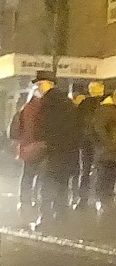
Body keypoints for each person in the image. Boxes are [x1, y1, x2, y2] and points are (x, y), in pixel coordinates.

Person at [32, 71, 82, 231]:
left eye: (39, 84)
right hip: (68, 151)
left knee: (46, 185)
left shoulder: (47, 102)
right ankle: (61, 216)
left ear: (48, 83)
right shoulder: (67, 102)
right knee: (62, 185)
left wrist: (43, 143)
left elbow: (43, 127)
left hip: (52, 151)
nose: (38, 87)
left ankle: (44, 217)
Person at [11, 74, 50, 214]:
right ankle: (32, 198)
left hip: (27, 147)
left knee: (28, 174)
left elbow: (15, 129)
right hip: (38, 145)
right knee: (38, 174)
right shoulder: (42, 108)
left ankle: (25, 199)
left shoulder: (24, 108)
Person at [90, 89, 116, 212]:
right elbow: (99, 129)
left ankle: (107, 201)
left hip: (114, 149)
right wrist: (109, 143)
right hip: (108, 150)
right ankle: (103, 202)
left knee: (110, 175)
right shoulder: (107, 109)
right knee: (105, 175)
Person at [74, 81, 106, 210]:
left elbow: (77, 123)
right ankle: (100, 199)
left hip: (85, 142)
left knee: (85, 170)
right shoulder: (104, 104)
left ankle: (83, 199)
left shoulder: (83, 105)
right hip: (99, 142)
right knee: (100, 170)